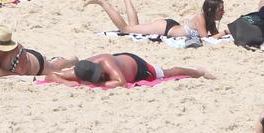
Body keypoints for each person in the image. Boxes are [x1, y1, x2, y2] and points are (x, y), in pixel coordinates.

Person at [86, 0, 227, 39]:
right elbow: (207, 39)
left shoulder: (209, 20)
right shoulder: (200, 18)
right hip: (165, 28)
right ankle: (102, 2)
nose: (223, 12)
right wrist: (226, 32)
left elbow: (214, 36)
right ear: (212, 10)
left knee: (133, 27)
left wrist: (224, 33)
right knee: (126, 29)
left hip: (171, 26)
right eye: (221, 10)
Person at [43, 53, 210, 88]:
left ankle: (197, 72)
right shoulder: (79, 71)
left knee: (168, 72)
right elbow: (51, 74)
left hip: (138, 67)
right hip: (121, 63)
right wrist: (65, 81)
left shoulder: (106, 63)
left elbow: (121, 82)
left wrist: (100, 84)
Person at [0, 27, 75, 77]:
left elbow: (21, 75)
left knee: (55, 68)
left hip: (36, 64)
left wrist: (0, 72)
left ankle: (71, 61)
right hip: (25, 58)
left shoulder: (16, 54)